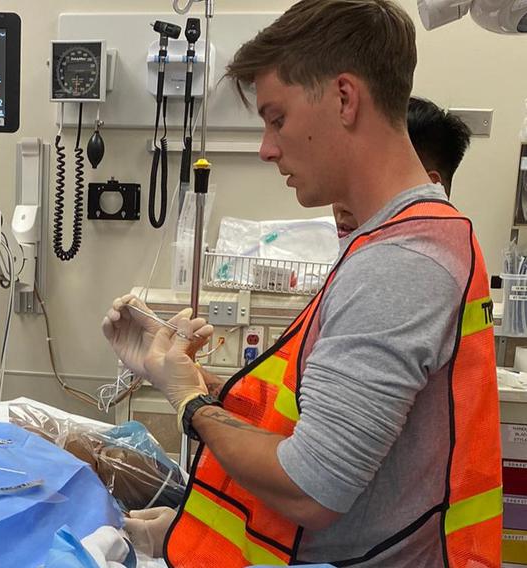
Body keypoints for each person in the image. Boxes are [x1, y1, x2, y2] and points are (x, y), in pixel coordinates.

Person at [105, 1, 500, 565]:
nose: (267, 147)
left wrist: (188, 402)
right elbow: (310, 421)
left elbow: (312, 487)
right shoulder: (397, 242)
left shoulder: (403, 263)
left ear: (344, 98)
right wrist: (193, 376)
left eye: (277, 118)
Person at [334, 96, 473, 237]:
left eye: (365, 184)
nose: (341, 206)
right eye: (342, 181)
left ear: (426, 187)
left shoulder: (417, 256)